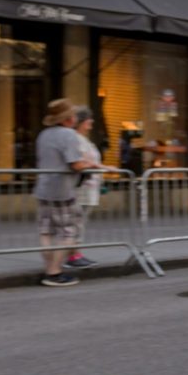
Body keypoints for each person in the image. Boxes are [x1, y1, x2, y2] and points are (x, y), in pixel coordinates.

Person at [34, 99, 97, 287]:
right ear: (69, 118)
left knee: (45, 231)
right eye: (74, 114)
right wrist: (88, 164)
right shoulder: (68, 135)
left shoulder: (43, 134)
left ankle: (48, 270)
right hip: (62, 189)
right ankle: (54, 272)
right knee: (68, 231)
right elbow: (75, 164)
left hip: (43, 187)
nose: (76, 117)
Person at [67, 108, 112, 269]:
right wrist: (104, 167)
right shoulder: (76, 139)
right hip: (81, 187)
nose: (91, 123)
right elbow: (82, 161)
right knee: (76, 221)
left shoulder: (84, 139)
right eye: (89, 120)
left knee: (80, 221)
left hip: (89, 186)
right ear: (82, 122)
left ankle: (75, 253)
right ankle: (72, 255)